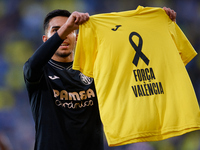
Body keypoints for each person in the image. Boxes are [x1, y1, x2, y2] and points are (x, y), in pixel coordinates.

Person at [23, 7, 176, 150]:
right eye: (56, 30)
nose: (64, 34)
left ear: (76, 37)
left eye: (70, 30)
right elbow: (32, 66)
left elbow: (136, 63)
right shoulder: (40, 71)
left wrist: (158, 26)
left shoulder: (94, 69)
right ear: (45, 39)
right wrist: (66, 28)